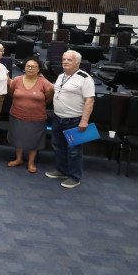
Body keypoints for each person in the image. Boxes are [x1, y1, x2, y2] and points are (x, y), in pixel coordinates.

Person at [46, 50, 94, 189]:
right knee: (58, 146)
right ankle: (61, 171)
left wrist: (84, 121)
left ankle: (74, 177)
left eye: (69, 60)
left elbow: (90, 101)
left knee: (74, 151)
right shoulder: (61, 76)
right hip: (58, 118)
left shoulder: (84, 78)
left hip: (75, 119)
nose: (65, 62)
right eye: (64, 59)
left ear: (77, 63)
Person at [7, 57, 54, 173]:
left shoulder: (44, 82)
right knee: (18, 137)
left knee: (34, 140)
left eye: (33, 67)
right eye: (28, 66)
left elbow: (48, 98)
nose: (30, 68)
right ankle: (18, 159)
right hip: (17, 114)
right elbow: (11, 94)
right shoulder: (17, 80)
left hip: (36, 117)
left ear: (39, 69)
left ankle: (31, 162)